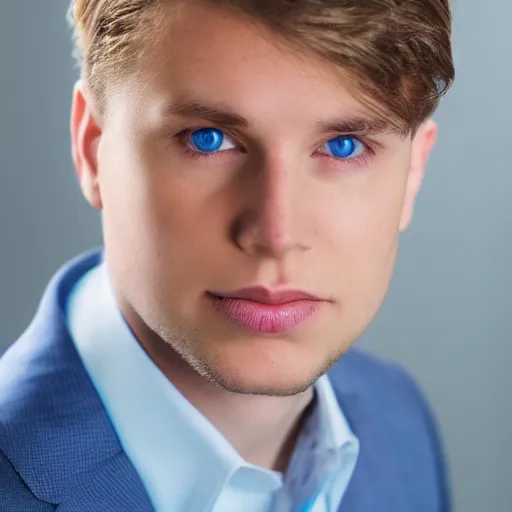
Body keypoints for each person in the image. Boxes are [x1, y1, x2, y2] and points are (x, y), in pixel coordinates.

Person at [0, 0, 455, 511]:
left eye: (345, 146)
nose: (276, 234)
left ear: (414, 171)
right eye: (207, 139)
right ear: (92, 148)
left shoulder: (400, 421)